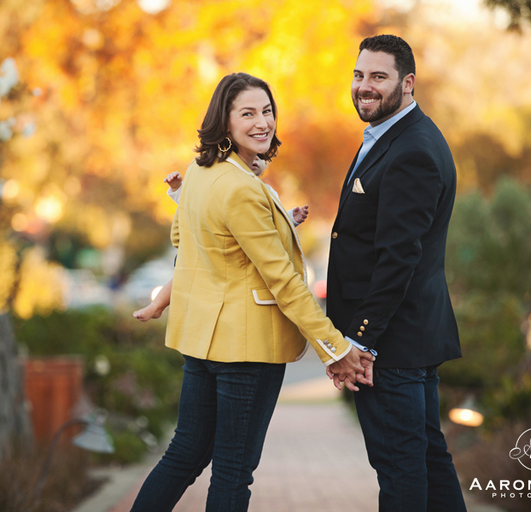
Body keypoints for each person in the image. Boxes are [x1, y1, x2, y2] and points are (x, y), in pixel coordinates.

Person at [130, 72, 372, 512]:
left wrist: (279, 224)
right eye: (247, 113)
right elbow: (283, 282)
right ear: (225, 122)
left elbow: (191, 241)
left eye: (267, 111)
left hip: (204, 343)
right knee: (232, 471)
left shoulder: (201, 173)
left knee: (184, 455)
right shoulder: (241, 187)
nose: (262, 122)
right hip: (247, 350)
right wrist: (334, 349)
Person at [325, 35, 467, 511]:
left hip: (391, 346)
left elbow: (398, 258)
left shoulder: (413, 152)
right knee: (425, 460)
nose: (365, 87)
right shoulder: (392, 137)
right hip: (404, 341)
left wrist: (360, 342)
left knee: (401, 469)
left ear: (407, 83)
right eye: (359, 75)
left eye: (378, 77)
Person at [132, 159, 309, 322]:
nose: (254, 160)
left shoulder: (268, 193)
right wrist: (178, 188)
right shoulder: (223, 183)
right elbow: (196, 204)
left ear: (268, 163)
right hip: (213, 245)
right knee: (182, 274)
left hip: (243, 255)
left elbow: (272, 228)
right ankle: (157, 306)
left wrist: (289, 219)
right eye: (249, 155)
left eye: (260, 157)